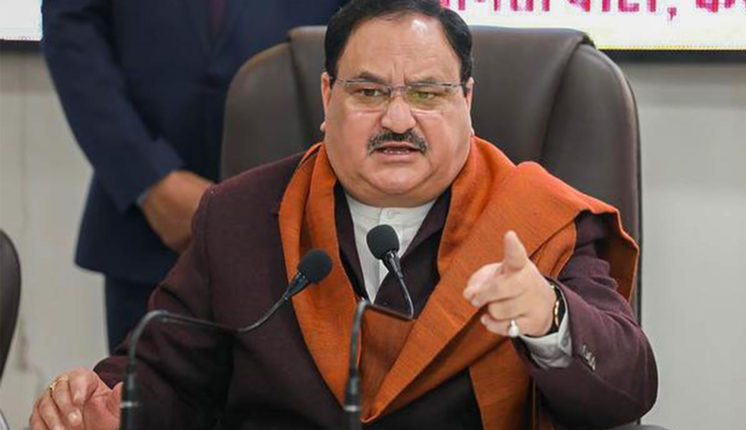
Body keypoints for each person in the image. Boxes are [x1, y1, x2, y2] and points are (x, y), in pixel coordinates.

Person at [30, 1, 658, 429]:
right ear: (328, 97)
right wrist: (96, 406)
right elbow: (161, 377)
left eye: (427, 93)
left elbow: (628, 386)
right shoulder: (242, 216)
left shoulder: (535, 221)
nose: (397, 119)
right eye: (368, 91)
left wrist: (549, 317)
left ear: (467, 101)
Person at [41, 0, 349, 352]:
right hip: (151, 231)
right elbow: (72, 24)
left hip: (307, 229)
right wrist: (149, 179)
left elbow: (375, 28)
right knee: (140, 384)